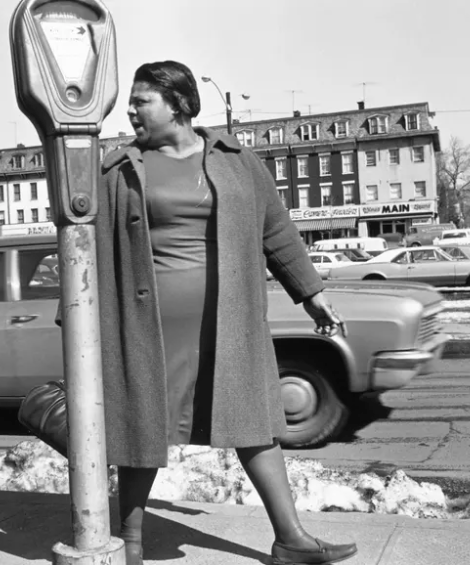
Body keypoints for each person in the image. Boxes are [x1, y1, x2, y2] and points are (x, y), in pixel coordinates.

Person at [94, 60, 357, 565]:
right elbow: (88, 245)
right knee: (144, 430)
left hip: (230, 320)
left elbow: (275, 230)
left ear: (180, 105)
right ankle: (128, 545)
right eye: (132, 100)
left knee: (254, 423)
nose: (131, 110)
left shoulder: (237, 160)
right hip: (150, 329)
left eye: (142, 99)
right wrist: (76, 321)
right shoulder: (120, 168)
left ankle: (290, 539)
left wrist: (312, 293)